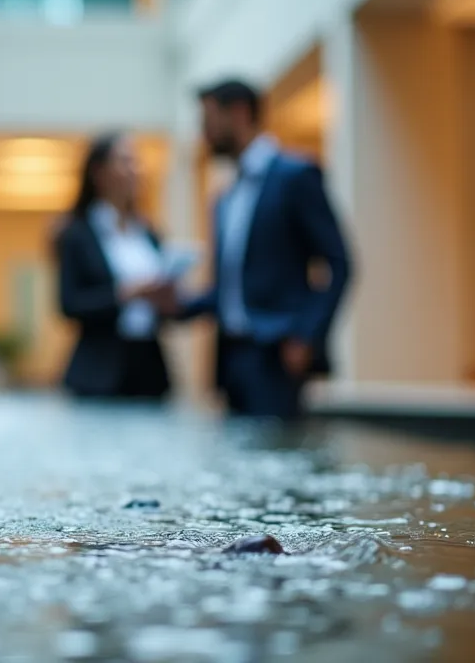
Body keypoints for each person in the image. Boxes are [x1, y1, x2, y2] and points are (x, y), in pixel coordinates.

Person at [181, 79, 353, 420]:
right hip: (231, 358)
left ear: (239, 113)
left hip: (278, 354)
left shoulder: (295, 176)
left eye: (209, 120)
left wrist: (306, 334)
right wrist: (177, 303)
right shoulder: (225, 198)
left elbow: (340, 263)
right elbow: (231, 289)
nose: (204, 133)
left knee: (279, 448)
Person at [54, 132, 175, 400]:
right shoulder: (78, 234)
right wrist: (126, 294)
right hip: (99, 369)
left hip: (149, 367)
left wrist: (168, 300)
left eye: (136, 162)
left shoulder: (147, 234)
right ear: (99, 172)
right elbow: (69, 304)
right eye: (125, 161)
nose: (134, 170)